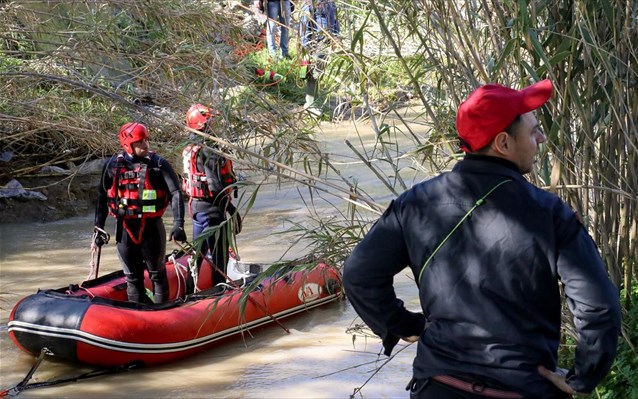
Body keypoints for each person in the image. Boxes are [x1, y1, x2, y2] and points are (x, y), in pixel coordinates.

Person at [342, 79, 621, 398]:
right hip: (523, 389)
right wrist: (583, 377)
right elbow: (599, 306)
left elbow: (359, 275)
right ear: (503, 143)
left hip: (439, 387)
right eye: (532, 132)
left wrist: (403, 325)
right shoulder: (549, 212)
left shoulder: (415, 204)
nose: (541, 138)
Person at [94, 122, 187, 304]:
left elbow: (176, 193)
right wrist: (99, 227)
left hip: (151, 229)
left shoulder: (158, 164)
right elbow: (102, 195)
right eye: (140, 142)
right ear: (128, 145)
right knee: (133, 279)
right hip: (125, 230)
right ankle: (139, 315)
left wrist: (178, 224)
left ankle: (162, 316)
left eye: (146, 140)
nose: (146, 145)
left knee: (158, 275)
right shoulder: (112, 166)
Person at [183, 104, 242, 290]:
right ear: (203, 126)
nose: (212, 127)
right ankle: (219, 293)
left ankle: (188, 290)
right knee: (219, 255)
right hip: (213, 209)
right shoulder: (209, 150)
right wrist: (232, 210)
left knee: (197, 254)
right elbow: (216, 186)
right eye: (209, 123)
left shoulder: (191, 147)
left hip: (197, 209)